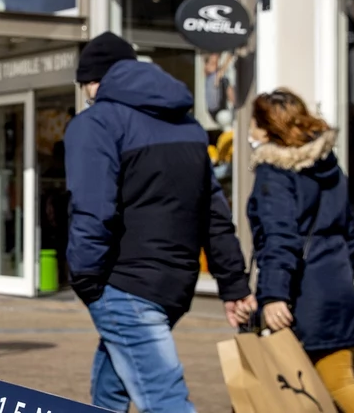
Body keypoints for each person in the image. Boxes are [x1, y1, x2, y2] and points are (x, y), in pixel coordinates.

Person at [65, 32, 255, 413]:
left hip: (125, 286)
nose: (87, 96)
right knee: (110, 390)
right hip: (175, 285)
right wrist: (233, 285)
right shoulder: (188, 127)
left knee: (166, 402)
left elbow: (92, 210)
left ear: (95, 81)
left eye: (86, 87)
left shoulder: (96, 124)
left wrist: (85, 280)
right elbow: (214, 215)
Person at [238, 88, 354, 413]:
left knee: (271, 383)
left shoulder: (274, 174)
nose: (249, 132)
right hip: (334, 289)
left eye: (254, 123)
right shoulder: (329, 168)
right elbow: (351, 234)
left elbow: (279, 238)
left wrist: (273, 295)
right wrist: (339, 274)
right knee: (335, 382)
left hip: (298, 295)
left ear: (269, 128)